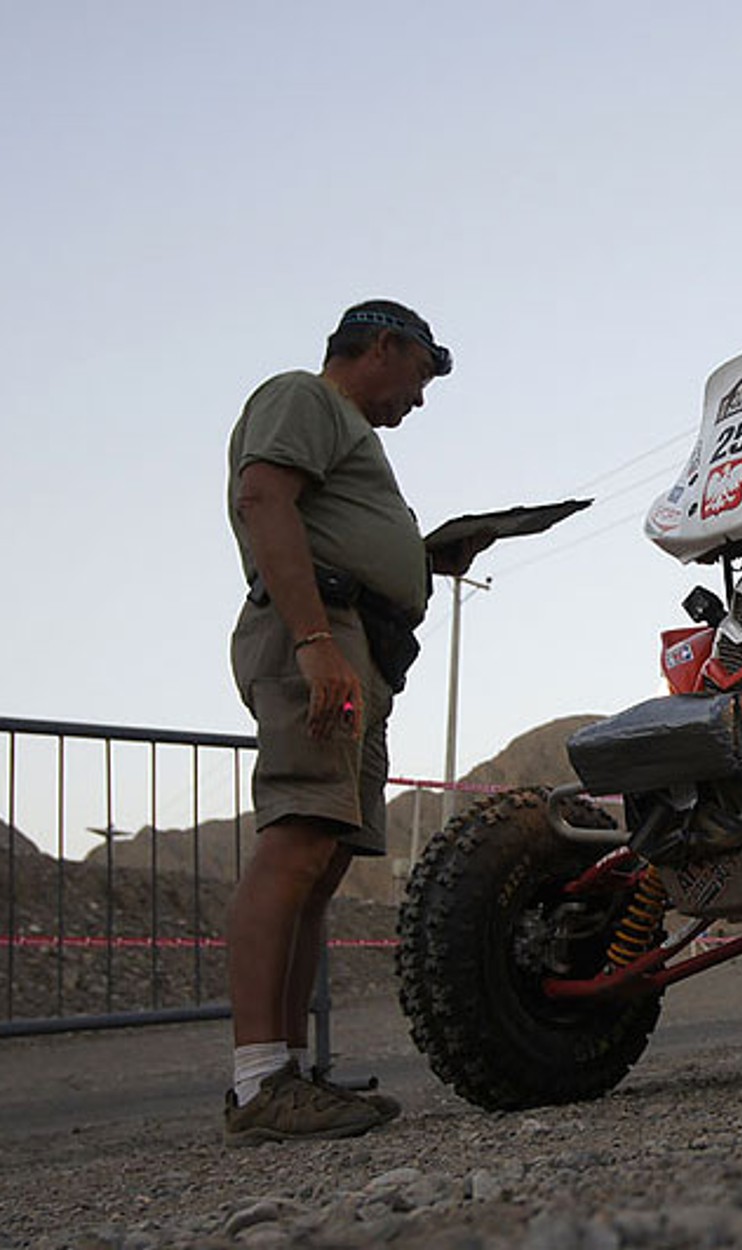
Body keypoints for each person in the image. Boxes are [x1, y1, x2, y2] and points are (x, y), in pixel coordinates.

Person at [223, 299, 478, 1145]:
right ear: (384, 345)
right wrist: (312, 643)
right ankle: (260, 1079)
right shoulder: (305, 397)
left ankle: (286, 1073)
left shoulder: (344, 431)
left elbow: (335, 524)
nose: (420, 398)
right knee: (297, 838)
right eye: (421, 373)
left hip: (354, 640)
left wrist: (427, 558)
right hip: (321, 634)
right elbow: (265, 500)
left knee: (324, 857)